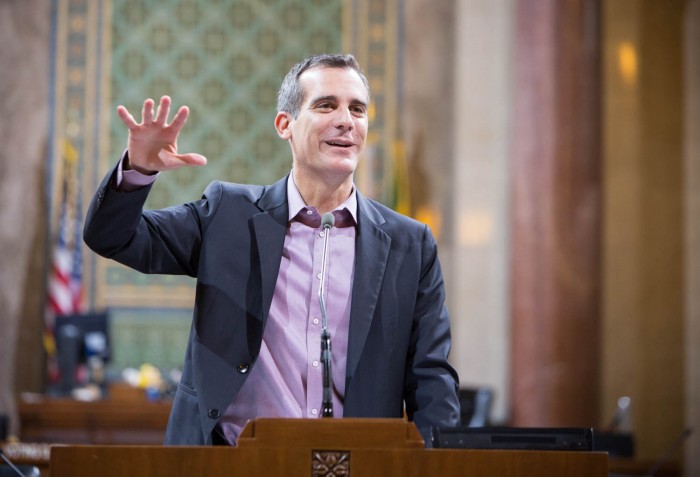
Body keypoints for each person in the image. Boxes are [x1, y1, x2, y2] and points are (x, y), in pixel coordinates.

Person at [83, 53, 460, 446]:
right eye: (326, 105)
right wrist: (139, 170)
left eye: (358, 109)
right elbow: (113, 237)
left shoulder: (409, 245)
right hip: (229, 463)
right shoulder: (228, 214)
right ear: (285, 125)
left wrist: (433, 464)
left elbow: (431, 379)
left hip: (354, 464)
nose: (346, 120)